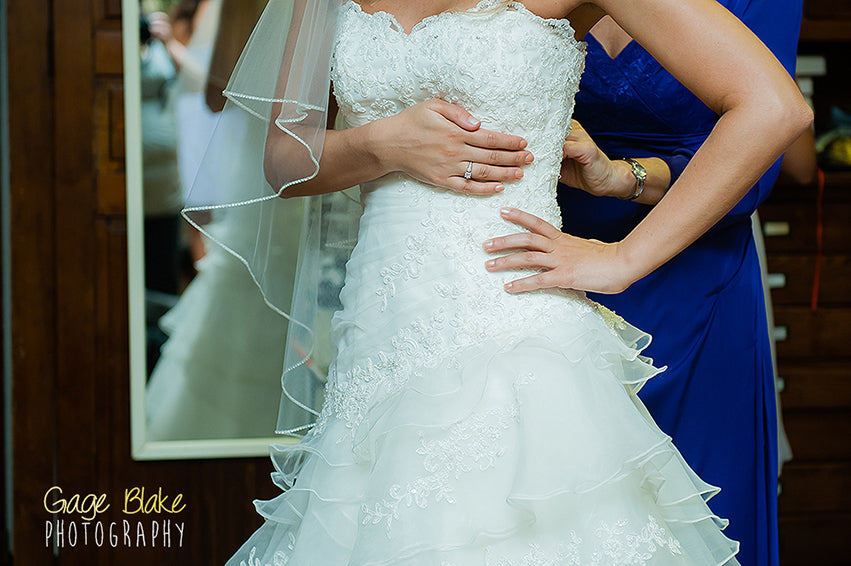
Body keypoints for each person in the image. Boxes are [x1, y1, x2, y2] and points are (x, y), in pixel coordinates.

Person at [182, 1, 811, 564]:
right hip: (382, 326)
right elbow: (285, 160)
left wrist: (622, 259)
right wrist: (383, 144)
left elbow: (773, 106)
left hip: (514, 316)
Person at [480, 5, 805, 566]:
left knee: (701, 512)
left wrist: (621, 180)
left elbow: (763, 153)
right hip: (541, 265)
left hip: (694, 281)